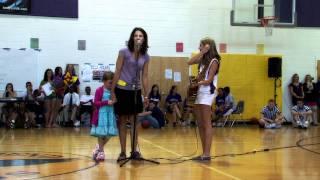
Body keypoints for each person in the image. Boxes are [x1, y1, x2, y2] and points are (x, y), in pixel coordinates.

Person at [111, 27, 150, 162]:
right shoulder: (124, 52)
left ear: (144, 39)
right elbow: (117, 70)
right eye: (136, 35)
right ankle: (122, 152)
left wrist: (146, 95)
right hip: (122, 89)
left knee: (134, 121)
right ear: (132, 38)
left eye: (141, 36)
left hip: (136, 90)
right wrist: (112, 91)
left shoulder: (145, 56)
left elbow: (144, 76)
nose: (138, 37)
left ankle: (134, 150)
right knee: (122, 121)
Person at [187, 37, 220, 161]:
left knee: (206, 123)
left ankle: (207, 153)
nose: (198, 48)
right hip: (200, 91)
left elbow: (209, 80)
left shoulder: (214, 61)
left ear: (207, 47)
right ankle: (203, 153)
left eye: (201, 46)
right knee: (200, 123)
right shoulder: (202, 59)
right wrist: (201, 53)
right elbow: (189, 62)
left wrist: (197, 84)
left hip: (208, 92)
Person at [91, 71, 118, 161]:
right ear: (104, 81)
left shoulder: (113, 91)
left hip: (110, 114)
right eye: (110, 82)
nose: (111, 84)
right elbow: (96, 102)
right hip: (101, 115)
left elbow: (115, 100)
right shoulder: (99, 90)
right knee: (101, 134)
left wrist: (114, 101)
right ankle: (101, 152)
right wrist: (106, 102)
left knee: (109, 134)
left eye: (113, 82)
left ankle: (98, 147)